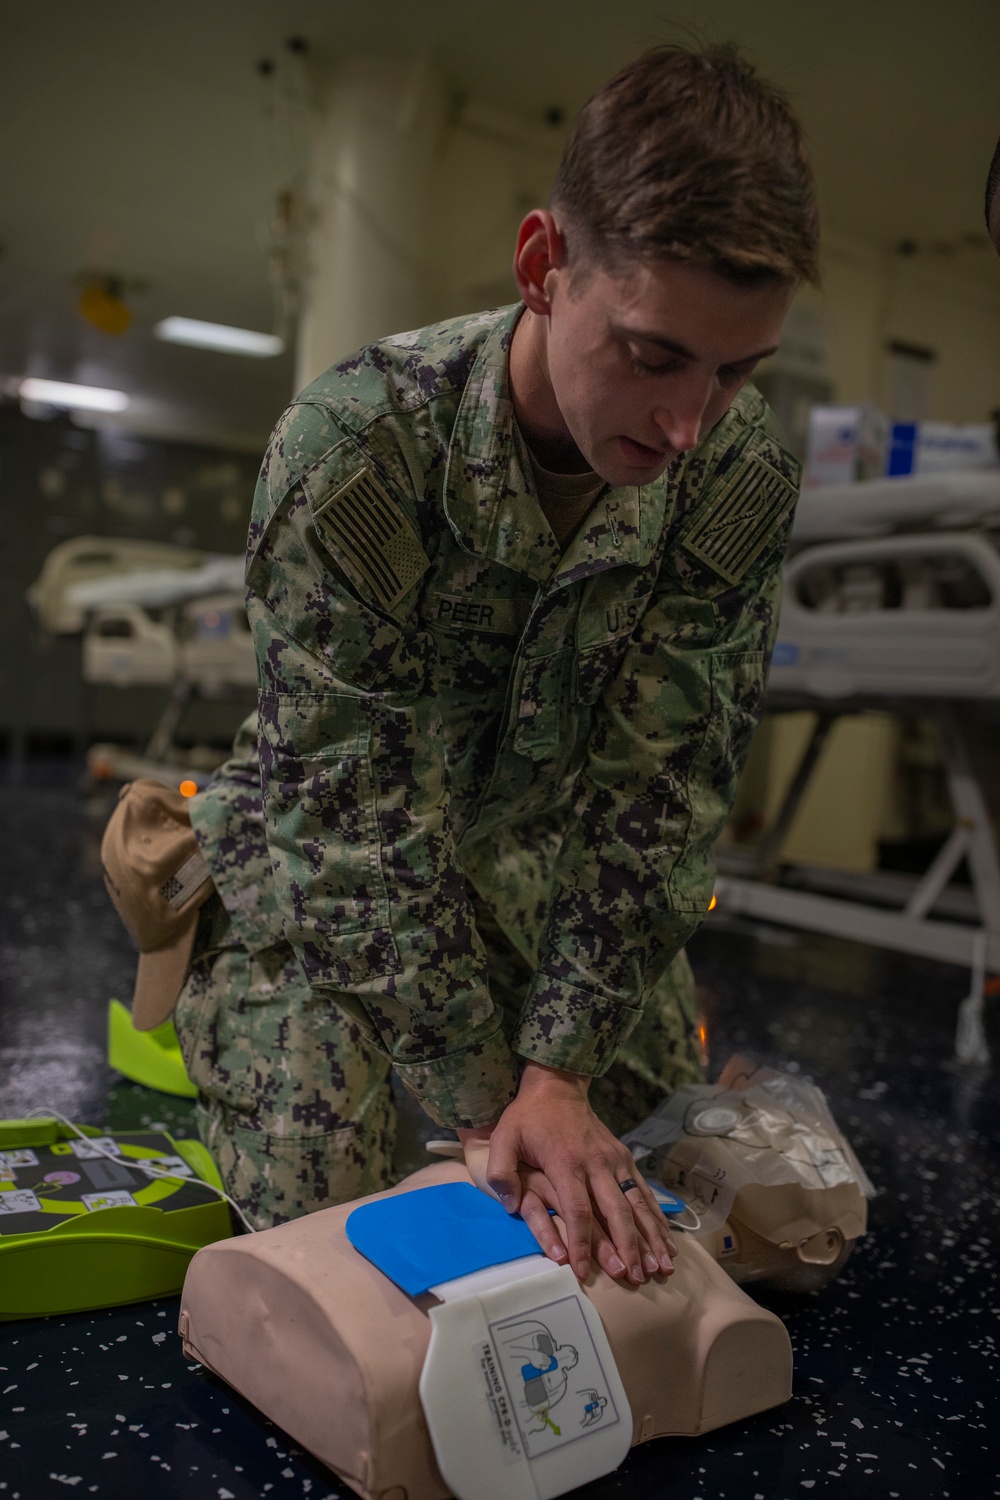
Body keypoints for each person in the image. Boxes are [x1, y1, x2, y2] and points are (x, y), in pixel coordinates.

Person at [175, 43, 819, 1289]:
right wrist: (492, 1104)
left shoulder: (736, 473)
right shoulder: (357, 448)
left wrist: (562, 1075)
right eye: (651, 354)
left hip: (531, 851)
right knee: (336, 1237)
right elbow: (351, 821)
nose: (689, 425)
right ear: (542, 268)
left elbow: (665, 787)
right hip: (324, 859)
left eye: (737, 371)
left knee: (655, 1164)